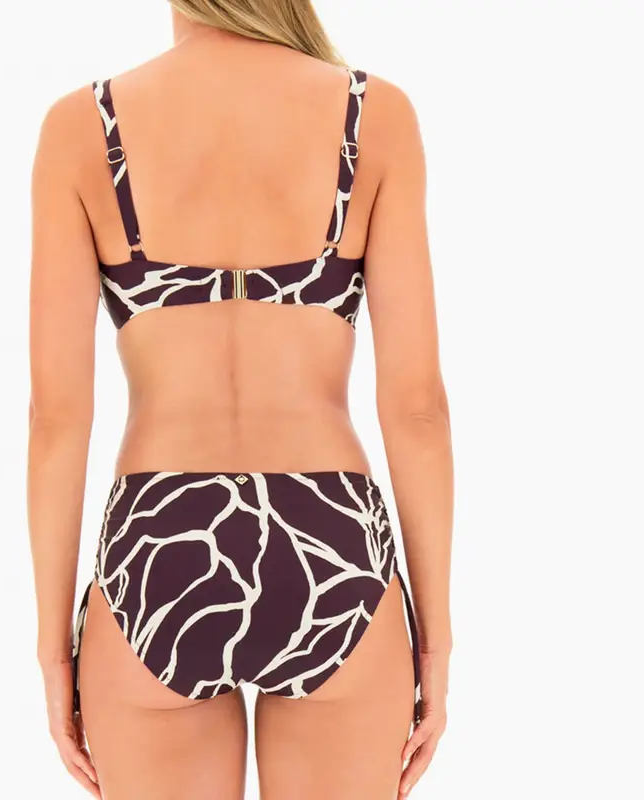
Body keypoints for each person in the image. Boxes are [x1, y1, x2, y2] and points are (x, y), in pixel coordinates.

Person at [27, 1, 453, 798]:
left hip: (159, 548)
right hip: (332, 545)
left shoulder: (82, 126)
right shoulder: (373, 115)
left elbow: (56, 419)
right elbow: (417, 407)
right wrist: (435, 638)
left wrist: (55, 649)